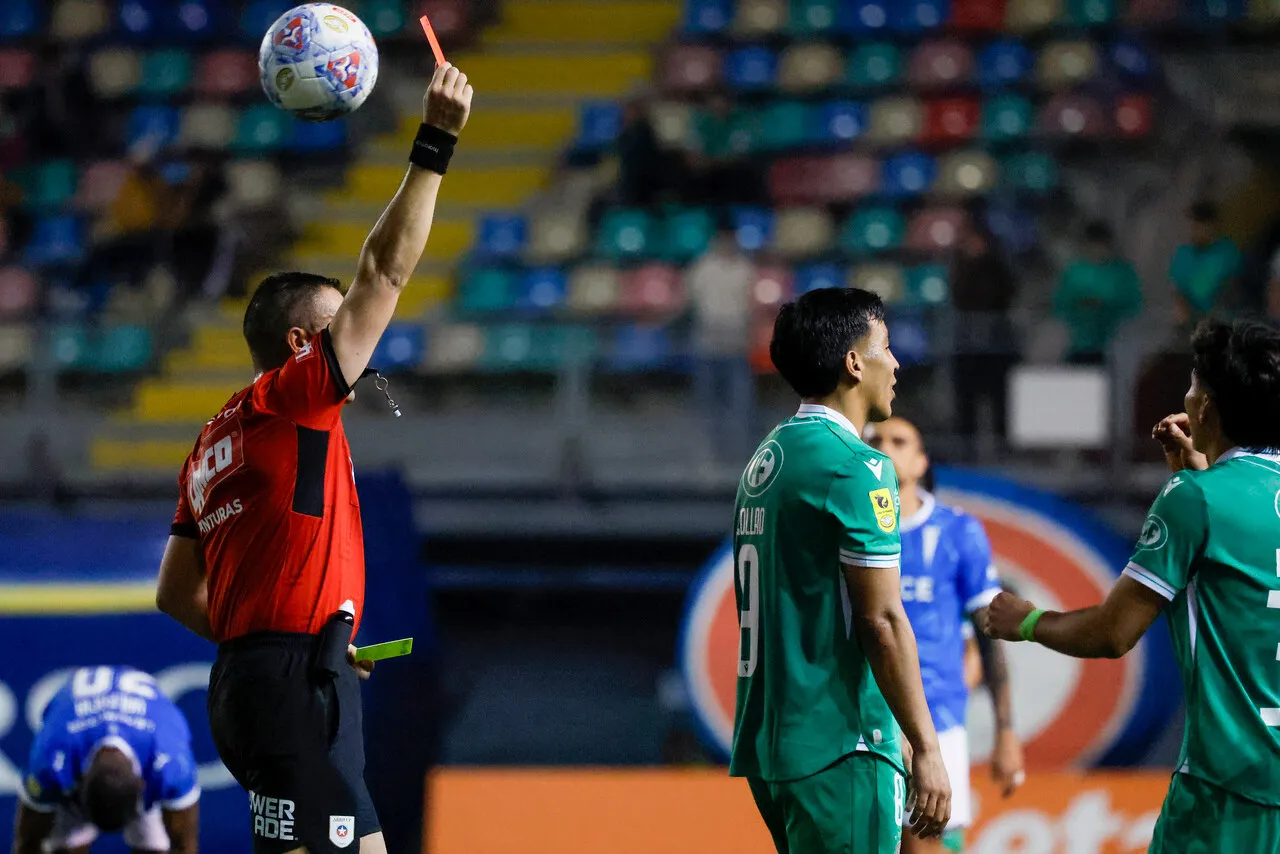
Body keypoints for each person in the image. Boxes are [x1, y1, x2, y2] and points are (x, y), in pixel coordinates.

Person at [153, 63, 472, 854]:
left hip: (266, 681)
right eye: (337, 329)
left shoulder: (211, 440)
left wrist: (278, 642)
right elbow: (387, 271)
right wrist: (435, 141)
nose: (359, 344)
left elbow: (173, 593)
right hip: (292, 687)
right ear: (302, 347)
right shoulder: (295, 397)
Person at [984, 317, 1280, 853]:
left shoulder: (1197, 499)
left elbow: (1112, 634)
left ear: (1208, 408)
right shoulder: (1202, 493)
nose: (1186, 399)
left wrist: (1027, 621)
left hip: (1230, 791)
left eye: (1193, 386)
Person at [732, 287, 951, 854]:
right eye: (886, 346)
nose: (897, 363)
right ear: (854, 363)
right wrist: (926, 744)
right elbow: (881, 620)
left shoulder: (768, 457)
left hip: (775, 743)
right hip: (841, 742)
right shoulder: (858, 467)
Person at [865, 417, 1025, 854]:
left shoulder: (958, 531)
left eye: (898, 441)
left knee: (924, 846)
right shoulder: (849, 527)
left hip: (935, 720)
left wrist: (1006, 733)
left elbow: (988, 635)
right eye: (873, 440)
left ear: (920, 462)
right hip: (861, 716)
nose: (883, 447)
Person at [13, 666, 200, 854]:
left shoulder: (171, 763)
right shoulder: (52, 758)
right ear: (79, 780)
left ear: (144, 784)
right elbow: (27, 842)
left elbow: (184, 844)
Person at [687, 224, 756, 460]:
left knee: (740, 406)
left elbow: (752, 306)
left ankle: (740, 455)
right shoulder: (702, 268)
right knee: (708, 407)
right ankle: (710, 454)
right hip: (708, 347)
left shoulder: (745, 268)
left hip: (736, 347)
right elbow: (690, 302)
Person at [949, 215, 1019, 448]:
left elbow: (1004, 295)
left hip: (996, 342)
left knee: (1000, 399)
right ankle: (965, 447)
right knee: (966, 400)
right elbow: (959, 296)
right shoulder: (959, 268)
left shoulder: (998, 269)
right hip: (967, 342)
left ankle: (1002, 445)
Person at [1053, 220, 1143, 365]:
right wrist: (1081, 305)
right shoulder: (1074, 271)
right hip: (1078, 345)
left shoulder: (1122, 272)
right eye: (1092, 245)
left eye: (1100, 245)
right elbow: (1060, 304)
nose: (1097, 250)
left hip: (1115, 344)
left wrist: (1106, 306)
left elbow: (1134, 304)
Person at [1169, 201, 1241, 326]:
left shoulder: (1226, 252)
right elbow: (1177, 288)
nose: (1194, 230)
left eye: (1199, 225)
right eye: (1193, 225)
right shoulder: (1183, 253)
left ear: (1212, 226)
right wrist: (1181, 305)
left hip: (1220, 318)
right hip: (1189, 319)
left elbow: (1233, 287)